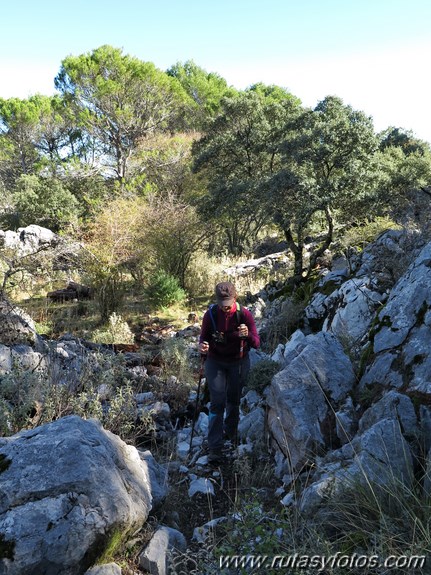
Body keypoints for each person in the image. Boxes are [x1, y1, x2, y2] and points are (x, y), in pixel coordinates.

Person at [199, 281, 260, 463]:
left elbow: (256, 343)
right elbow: (203, 337)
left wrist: (247, 335)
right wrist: (202, 346)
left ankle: (231, 435)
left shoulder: (244, 315)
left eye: (228, 304)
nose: (225, 309)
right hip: (215, 361)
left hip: (238, 362)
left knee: (233, 401)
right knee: (217, 403)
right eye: (221, 304)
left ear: (235, 298)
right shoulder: (210, 315)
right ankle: (215, 447)